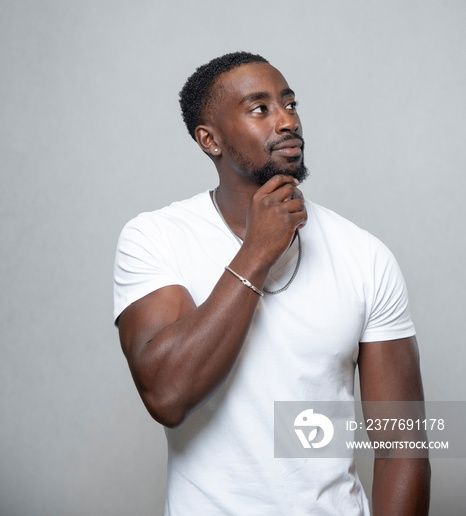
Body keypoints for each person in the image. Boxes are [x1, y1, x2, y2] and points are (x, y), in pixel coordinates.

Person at [114, 51, 430, 515]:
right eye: (260, 109)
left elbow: (404, 447)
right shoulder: (155, 238)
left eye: (290, 104)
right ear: (210, 139)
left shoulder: (365, 254)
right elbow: (166, 395)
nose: (287, 121)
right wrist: (258, 251)